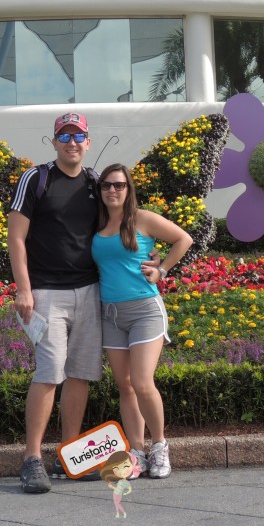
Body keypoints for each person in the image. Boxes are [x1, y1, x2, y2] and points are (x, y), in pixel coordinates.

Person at [9, 112, 158, 493]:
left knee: (80, 374)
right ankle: (31, 459)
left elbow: (125, 224)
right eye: (64, 135)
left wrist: (152, 260)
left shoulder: (96, 182)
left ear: (88, 142)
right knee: (49, 372)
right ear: (54, 140)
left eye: (79, 136)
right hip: (47, 293)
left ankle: (68, 455)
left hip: (90, 291)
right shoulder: (36, 178)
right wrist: (24, 288)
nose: (72, 142)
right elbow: (16, 237)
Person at [92, 162, 193, 480]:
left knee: (142, 381)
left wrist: (161, 269)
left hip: (145, 310)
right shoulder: (96, 223)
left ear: (128, 189)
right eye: (107, 185)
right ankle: (136, 452)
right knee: (125, 386)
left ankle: (160, 446)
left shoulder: (142, 219)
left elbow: (183, 239)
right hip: (110, 313)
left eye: (119, 185)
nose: (112, 190)